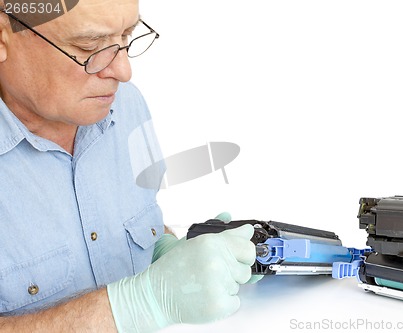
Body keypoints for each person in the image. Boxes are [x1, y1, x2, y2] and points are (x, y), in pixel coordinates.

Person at [0, 0, 257, 332]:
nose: (123, 71)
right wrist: (138, 304)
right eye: (89, 47)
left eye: (126, 36)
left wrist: (167, 252)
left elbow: (138, 218)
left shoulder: (126, 106)